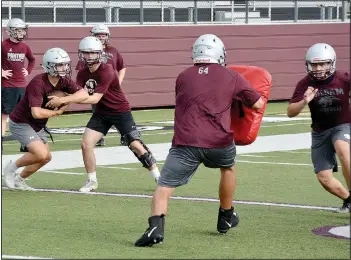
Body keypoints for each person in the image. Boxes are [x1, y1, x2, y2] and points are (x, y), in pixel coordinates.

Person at [135, 34, 264, 247]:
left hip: (186, 143)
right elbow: (257, 104)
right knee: (228, 168)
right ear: (220, 54)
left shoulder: (183, 76)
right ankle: (225, 215)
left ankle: (155, 228)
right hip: (218, 142)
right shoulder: (232, 76)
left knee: (163, 188)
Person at [68, 36, 160, 192]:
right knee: (86, 144)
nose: (89, 56)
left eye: (93, 53)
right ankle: (92, 181)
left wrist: (66, 100)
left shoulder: (107, 71)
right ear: (80, 54)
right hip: (101, 113)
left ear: (100, 54)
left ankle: (159, 176)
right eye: (86, 53)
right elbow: (78, 92)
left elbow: (94, 97)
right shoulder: (82, 73)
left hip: (119, 111)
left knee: (134, 144)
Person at [2, 48, 89, 190]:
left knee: (46, 157)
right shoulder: (38, 83)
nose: (64, 68)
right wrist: (56, 113)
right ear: (49, 65)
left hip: (37, 125)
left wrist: (63, 100)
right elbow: (36, 113)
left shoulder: (63, 80)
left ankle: (19, 179)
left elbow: (84, 94)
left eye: (65, 64)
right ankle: (10, 168)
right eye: (60, 65)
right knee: (40, 153)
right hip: (21, 123)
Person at [287, 43, 350, 213]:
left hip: (342, 125)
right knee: (324, 178)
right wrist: (304, 101)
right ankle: (348, 200)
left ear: (332, 63)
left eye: (323, 64)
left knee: (343, 148)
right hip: (320, 132)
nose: (318, 68)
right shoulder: (304, 83)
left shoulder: (343, 78)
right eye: (314, 64)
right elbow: (290, 112)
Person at [76, 24, 127, 147]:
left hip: (112, 89)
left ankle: (125, 135)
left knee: (118, 112)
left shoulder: (113, 51)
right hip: (95, 88)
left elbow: (122, 67)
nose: (101, 37)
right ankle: (97, 137)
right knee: (97, 113)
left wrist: (118, 81)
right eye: (99, 35)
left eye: (103, 35)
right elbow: (81, 71)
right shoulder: (87, 53)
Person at [1, 18, 35, 153]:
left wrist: (28, 70)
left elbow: (32, 60)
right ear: (10, 31)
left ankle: (24, 143)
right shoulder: (3, 45)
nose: (21, 33)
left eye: (22, 30)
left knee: (24, 116)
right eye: (18, 30)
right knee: (4, 116)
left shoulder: (25, 47)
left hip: (22, 85)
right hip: (7, 86)